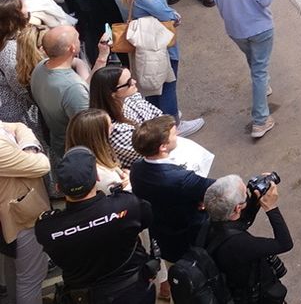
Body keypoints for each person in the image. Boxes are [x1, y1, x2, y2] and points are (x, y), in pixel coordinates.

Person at [35, 147, 156, 304]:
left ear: (58, 188)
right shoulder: (127, 204)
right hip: (134, 292)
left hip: (85, 298)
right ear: (97, 177)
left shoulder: (46, 228)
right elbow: (147, 218)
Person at [129, 115, 213, 266]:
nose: (178, 135)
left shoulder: (137, 168)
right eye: (174, 134)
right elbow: (215, 188)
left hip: (164, 238)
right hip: (192, 236)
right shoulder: (181, 179)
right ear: (163, 147)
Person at [214, 0, 275, 139]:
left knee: (254, 61)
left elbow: (219, 2)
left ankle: (264, 85)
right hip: (259, 28)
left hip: (235, 30)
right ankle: (260, 120)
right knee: (259, 69)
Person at [201, 175, 294, 302]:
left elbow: (242, 222)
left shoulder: (212, 222)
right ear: (238, 208)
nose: (247, 196)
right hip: (255, 296)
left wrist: (257, 197)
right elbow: (284, 243)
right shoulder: (239, 244)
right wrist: (271, 207)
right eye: (246, 195)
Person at [30, 25, 106, 166]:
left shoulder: (40, 67)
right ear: (72, 48)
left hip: (57, 143)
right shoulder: (73, 87)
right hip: (79, 154)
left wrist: (102, 57)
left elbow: (80, 89)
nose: (79, 40)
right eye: (77, 38)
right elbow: (88, 130)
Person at [0, 116, 50, 304]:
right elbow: (42, 165)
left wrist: (27, 148)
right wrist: (31, 149)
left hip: (11, 215)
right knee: (31, 277)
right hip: (19, 216)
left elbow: (19, 126)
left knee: (15, 268)